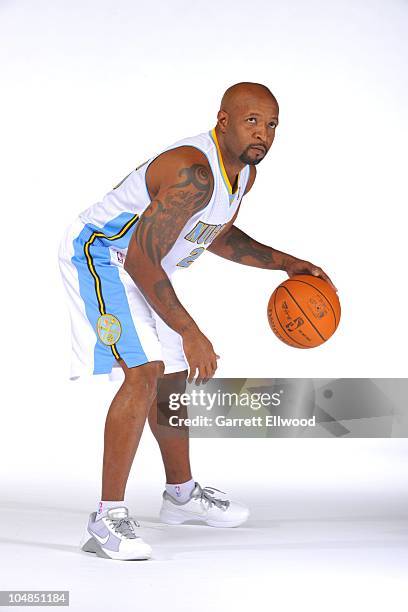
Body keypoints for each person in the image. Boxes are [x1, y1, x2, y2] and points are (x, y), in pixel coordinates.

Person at [58, 81, 336, 561]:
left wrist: (288, 263)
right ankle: (105, 520)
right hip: (100, 257)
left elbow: (217, 236)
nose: (263, 133)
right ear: (223, 121)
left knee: (172, 378)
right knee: (144, 373)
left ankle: (181, 496)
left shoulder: (242, 175)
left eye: (271, 125)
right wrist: (191, 331)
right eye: (252, 121)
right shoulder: (194, 171)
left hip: (143, 262)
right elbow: (142, 262)